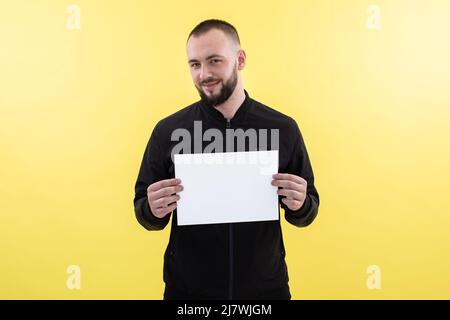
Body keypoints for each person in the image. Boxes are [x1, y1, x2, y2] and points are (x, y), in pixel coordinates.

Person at [133, 19, 319, 300]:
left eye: (214, 61)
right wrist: (151, 209)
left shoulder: (282, 128)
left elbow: (308, 210)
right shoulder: (168, 131)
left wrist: (301, 203)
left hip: (266, 291)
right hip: (188, 294)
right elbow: (144, 211)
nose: (204, 73)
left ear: (240, 59)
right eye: (194, 64)